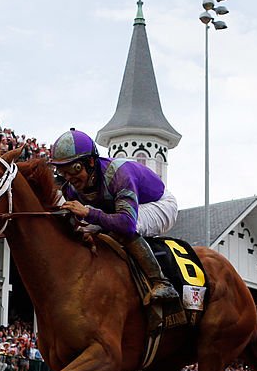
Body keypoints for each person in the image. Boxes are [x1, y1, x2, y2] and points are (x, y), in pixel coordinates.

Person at [50, 128, 179, 306]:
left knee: (124, 230)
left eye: (75, 169)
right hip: (119, 210)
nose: (70, 177)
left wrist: (88, 213)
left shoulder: (119, 174)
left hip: (159, 204)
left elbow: (126, 223)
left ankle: (161, 282)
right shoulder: (71, 187)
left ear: (91, 162)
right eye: (63, 172)